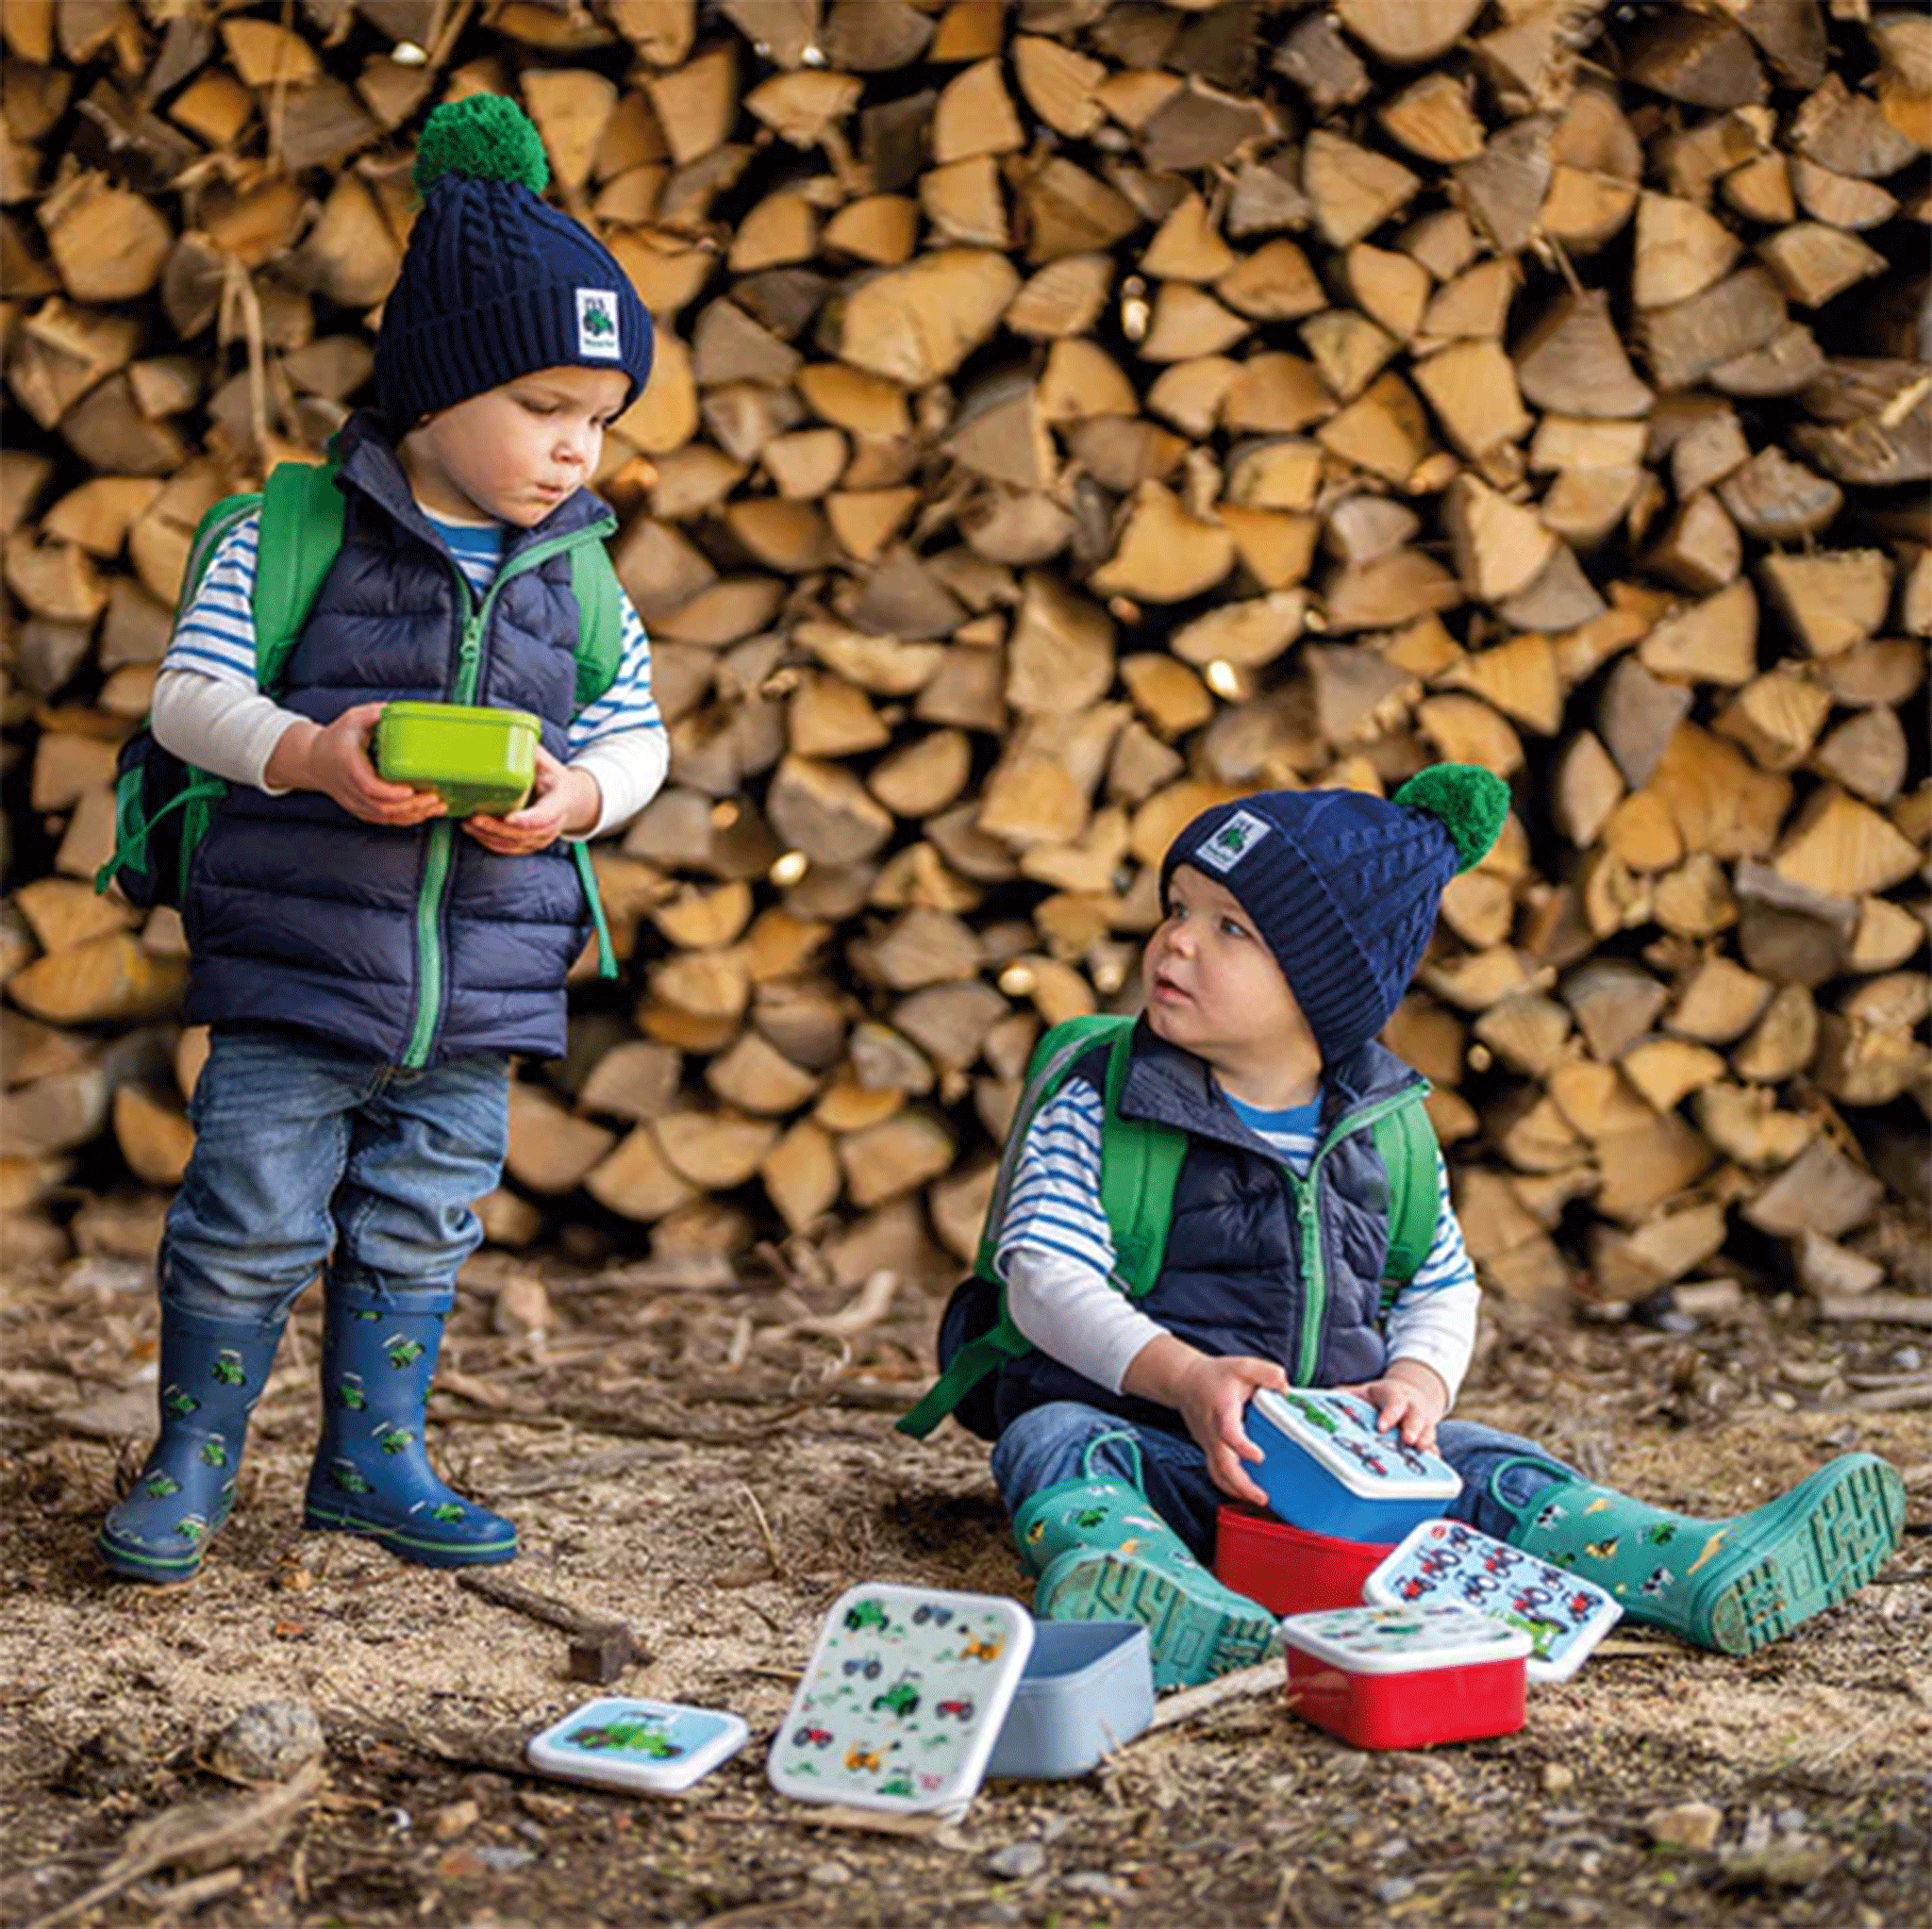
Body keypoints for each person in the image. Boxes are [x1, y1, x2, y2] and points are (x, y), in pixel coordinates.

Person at [967, 767, 1906, 1688]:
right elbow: (1045, 1274)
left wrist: (1415, 1380)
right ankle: (1151, 1589)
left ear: (1325, 984)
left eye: (1228, 928)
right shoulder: (1103, 1093)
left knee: (1485, 1462)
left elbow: (1440, 1282)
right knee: (1050, 1436)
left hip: (1336, 1476)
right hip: (1156, 1447)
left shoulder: (1387, 1130)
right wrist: (1182, 1379)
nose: (1174, 944)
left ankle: (1690, 1565)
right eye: (1175, 908)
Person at [98, 97, 669, 1583]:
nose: (574, 450)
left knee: (424, 1225)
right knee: (247, 1218)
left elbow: (640, 734)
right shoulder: (283, 533)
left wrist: (579, 800)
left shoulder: (583, 578)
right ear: (437, 385)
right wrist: (311, 754)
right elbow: (187, 699)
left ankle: (372, 1461)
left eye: (600, 422)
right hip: (296, 964)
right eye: (546, 408)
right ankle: (192, 1464)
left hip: (476, 985)